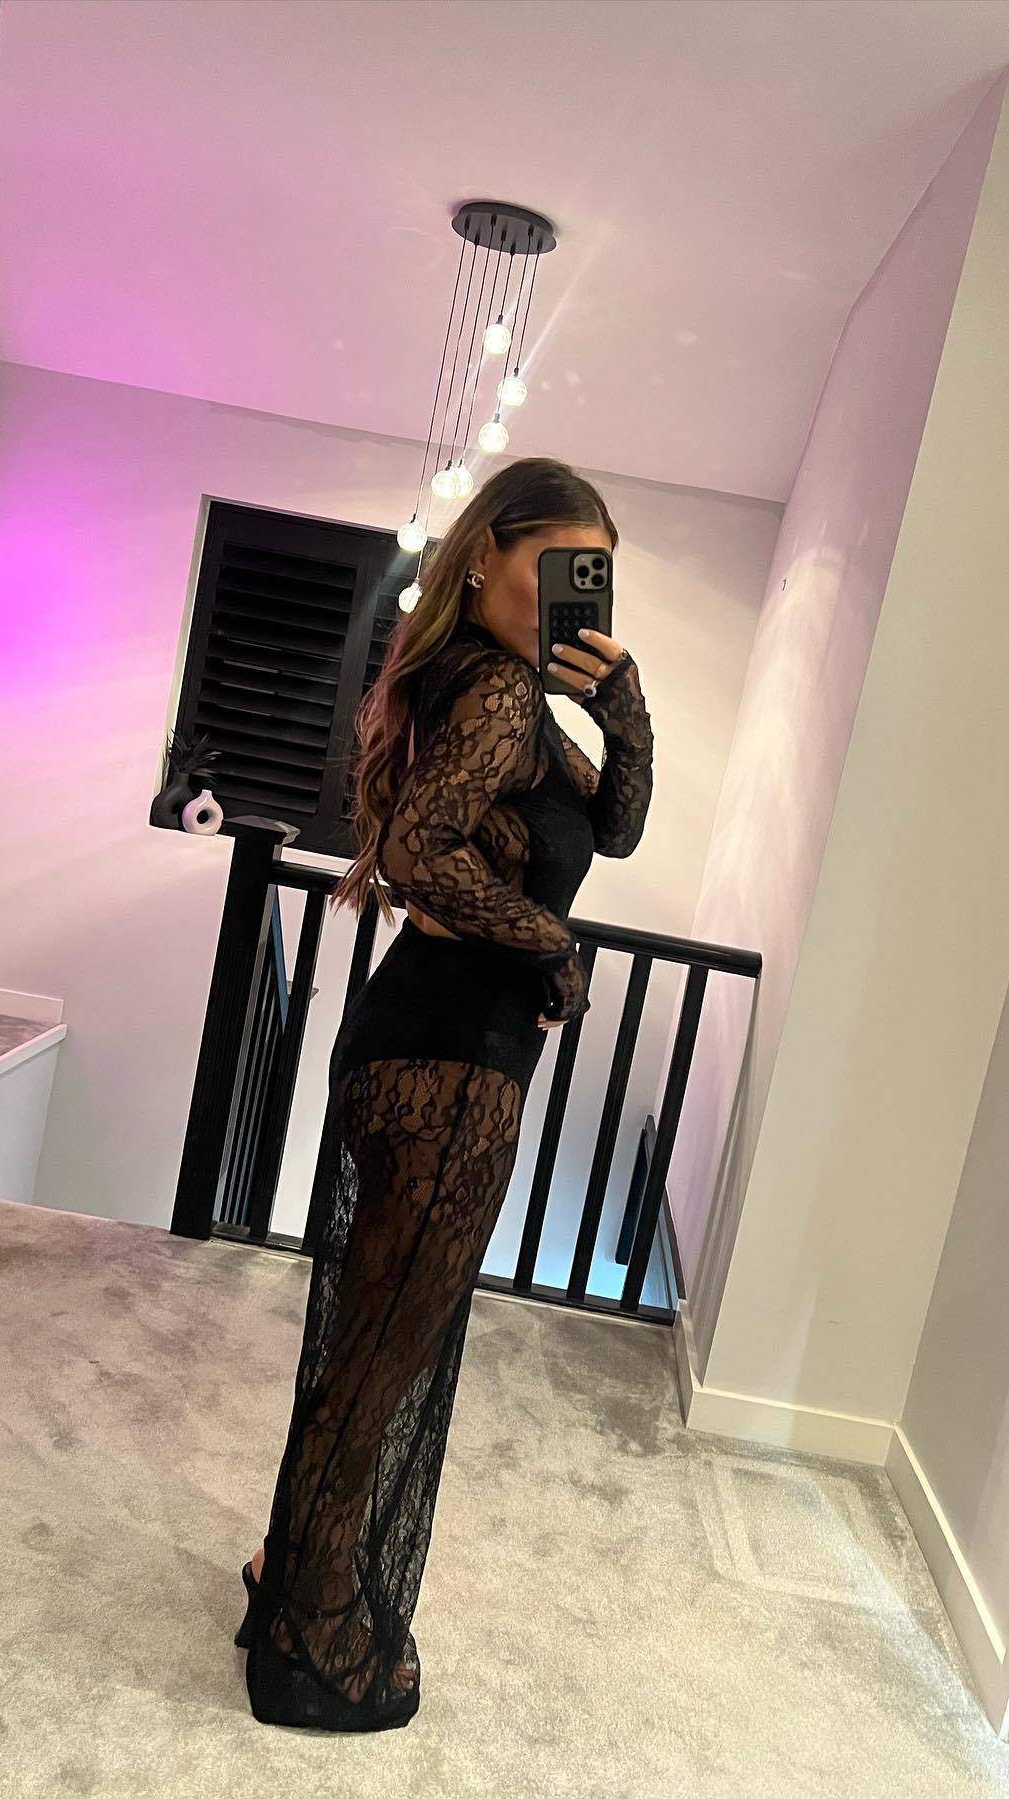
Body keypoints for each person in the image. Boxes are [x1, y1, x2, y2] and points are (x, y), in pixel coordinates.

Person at [236, 456, 654, 1731]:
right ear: (484, 556)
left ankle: (286, 1565)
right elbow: (420, 851)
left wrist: (625, 708)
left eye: (598, 577)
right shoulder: (498, 692)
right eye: (559, 566)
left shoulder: (511, 696)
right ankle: (309, 1633)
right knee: (385, 1353)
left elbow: (615, 824)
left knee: (373, 1340)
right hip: (447, 1059)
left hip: (435, 1046)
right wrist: (551, 944)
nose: (577, 596)